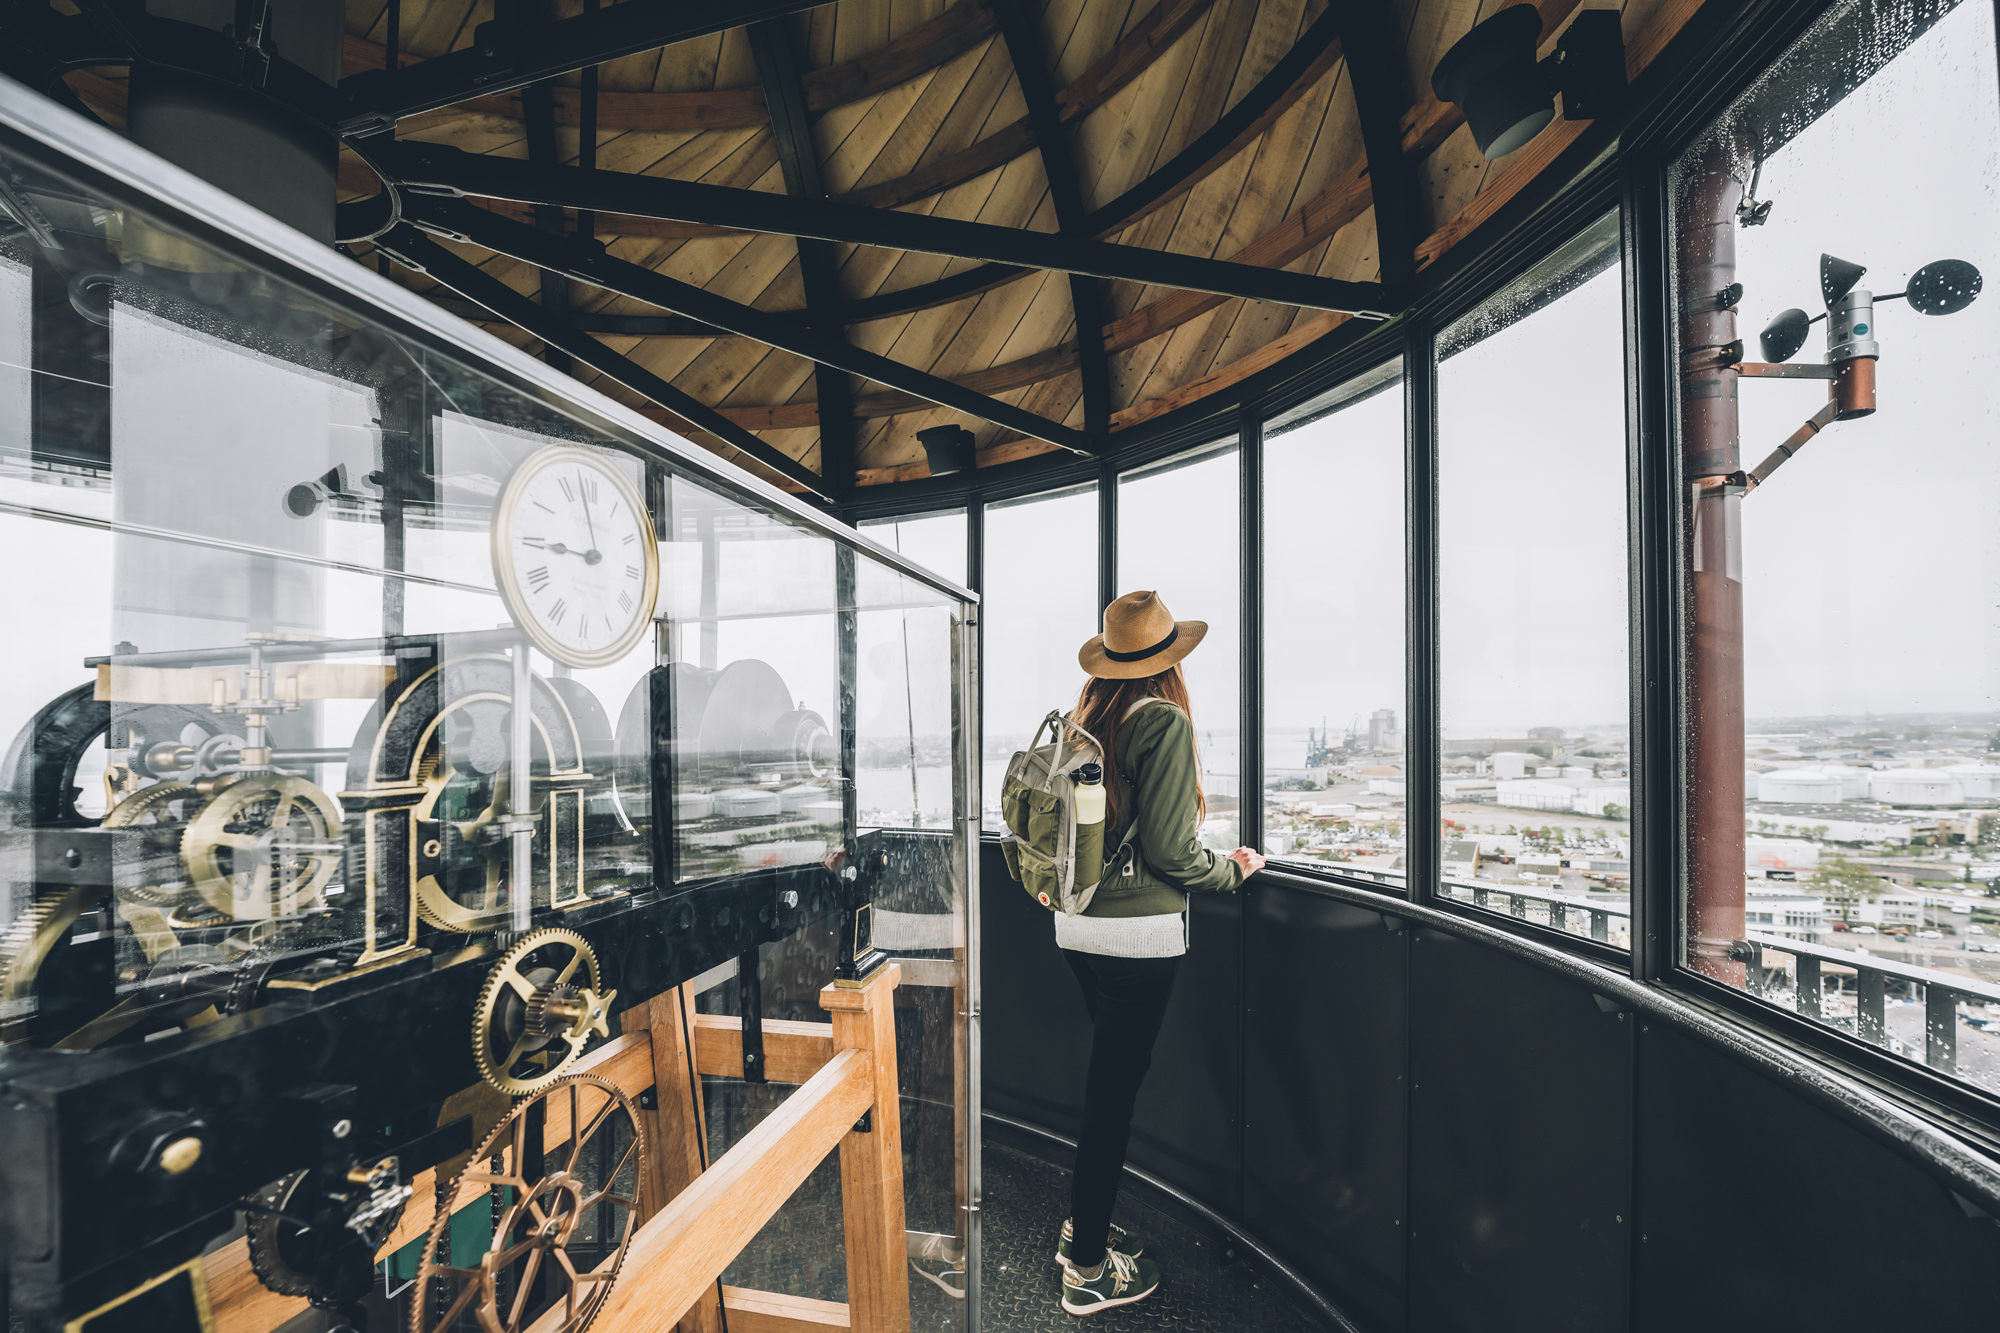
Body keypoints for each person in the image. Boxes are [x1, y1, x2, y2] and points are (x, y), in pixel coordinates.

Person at [1054, 590, 1265, 1316]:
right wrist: (1232, 870)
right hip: (1136, 939)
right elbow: (1175, 852)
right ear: (1169, 663)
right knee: (1111, 1099)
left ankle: (1082, 1224)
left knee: (1107, 1087)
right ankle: (1084, 1266)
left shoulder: (1090, 717)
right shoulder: (1164, 723)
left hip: (1076, 928)